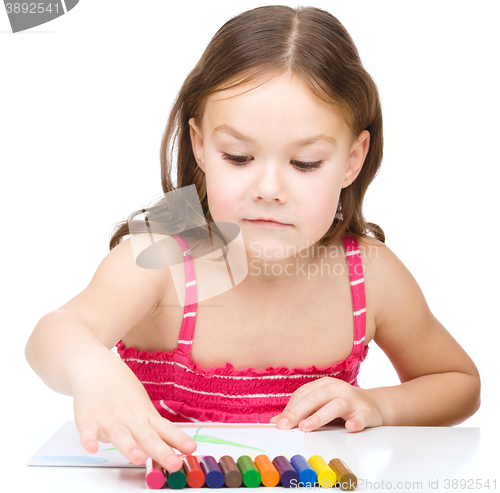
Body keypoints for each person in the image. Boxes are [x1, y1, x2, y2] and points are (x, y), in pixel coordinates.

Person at [25, 5, 480, 475]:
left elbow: (459, 383)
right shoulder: (166, 246)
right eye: (239, 157)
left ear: (352, 159)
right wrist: (90, 370)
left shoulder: (368, 271)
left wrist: (379, 406)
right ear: (199, 145)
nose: (268, 189)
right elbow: (52, 333)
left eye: (305, 163)